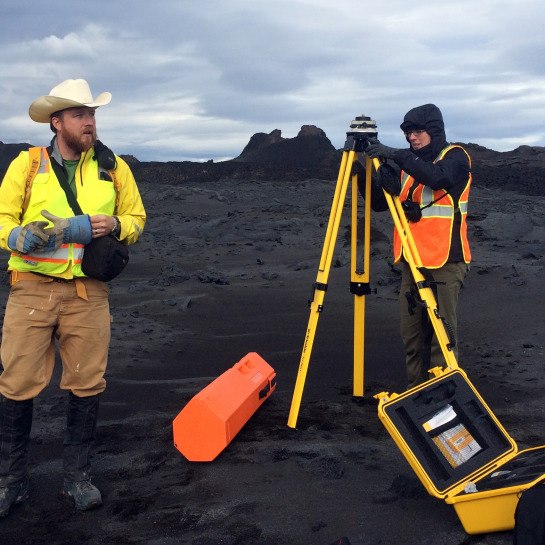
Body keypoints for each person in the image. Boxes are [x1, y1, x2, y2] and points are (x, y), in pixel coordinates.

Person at [0, 79, 146, 516]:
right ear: (56, 121)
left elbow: (136, 218)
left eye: (93, 114)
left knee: (87, 382)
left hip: (88, 293)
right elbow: (1, 217)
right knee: (16, 382)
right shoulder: (26, 166)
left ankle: (76, 477)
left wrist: (112, 226)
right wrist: (15, 235)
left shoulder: (113, 167)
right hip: (31, 289)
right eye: (81, 115)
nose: (90, 123)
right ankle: (11, 481)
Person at [362, 104, 471, 389]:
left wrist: (396, 154)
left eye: (418, 131)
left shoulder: (456, 157)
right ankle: (417, 392)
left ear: (434, 131)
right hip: (413, 262)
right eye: (409, 133)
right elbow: (378, 204)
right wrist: (366, 173)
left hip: (446, 261)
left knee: (441, 338)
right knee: (412, 337)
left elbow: (438, 178)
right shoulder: (409, 168)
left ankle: (444, 397)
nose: (412, 137)